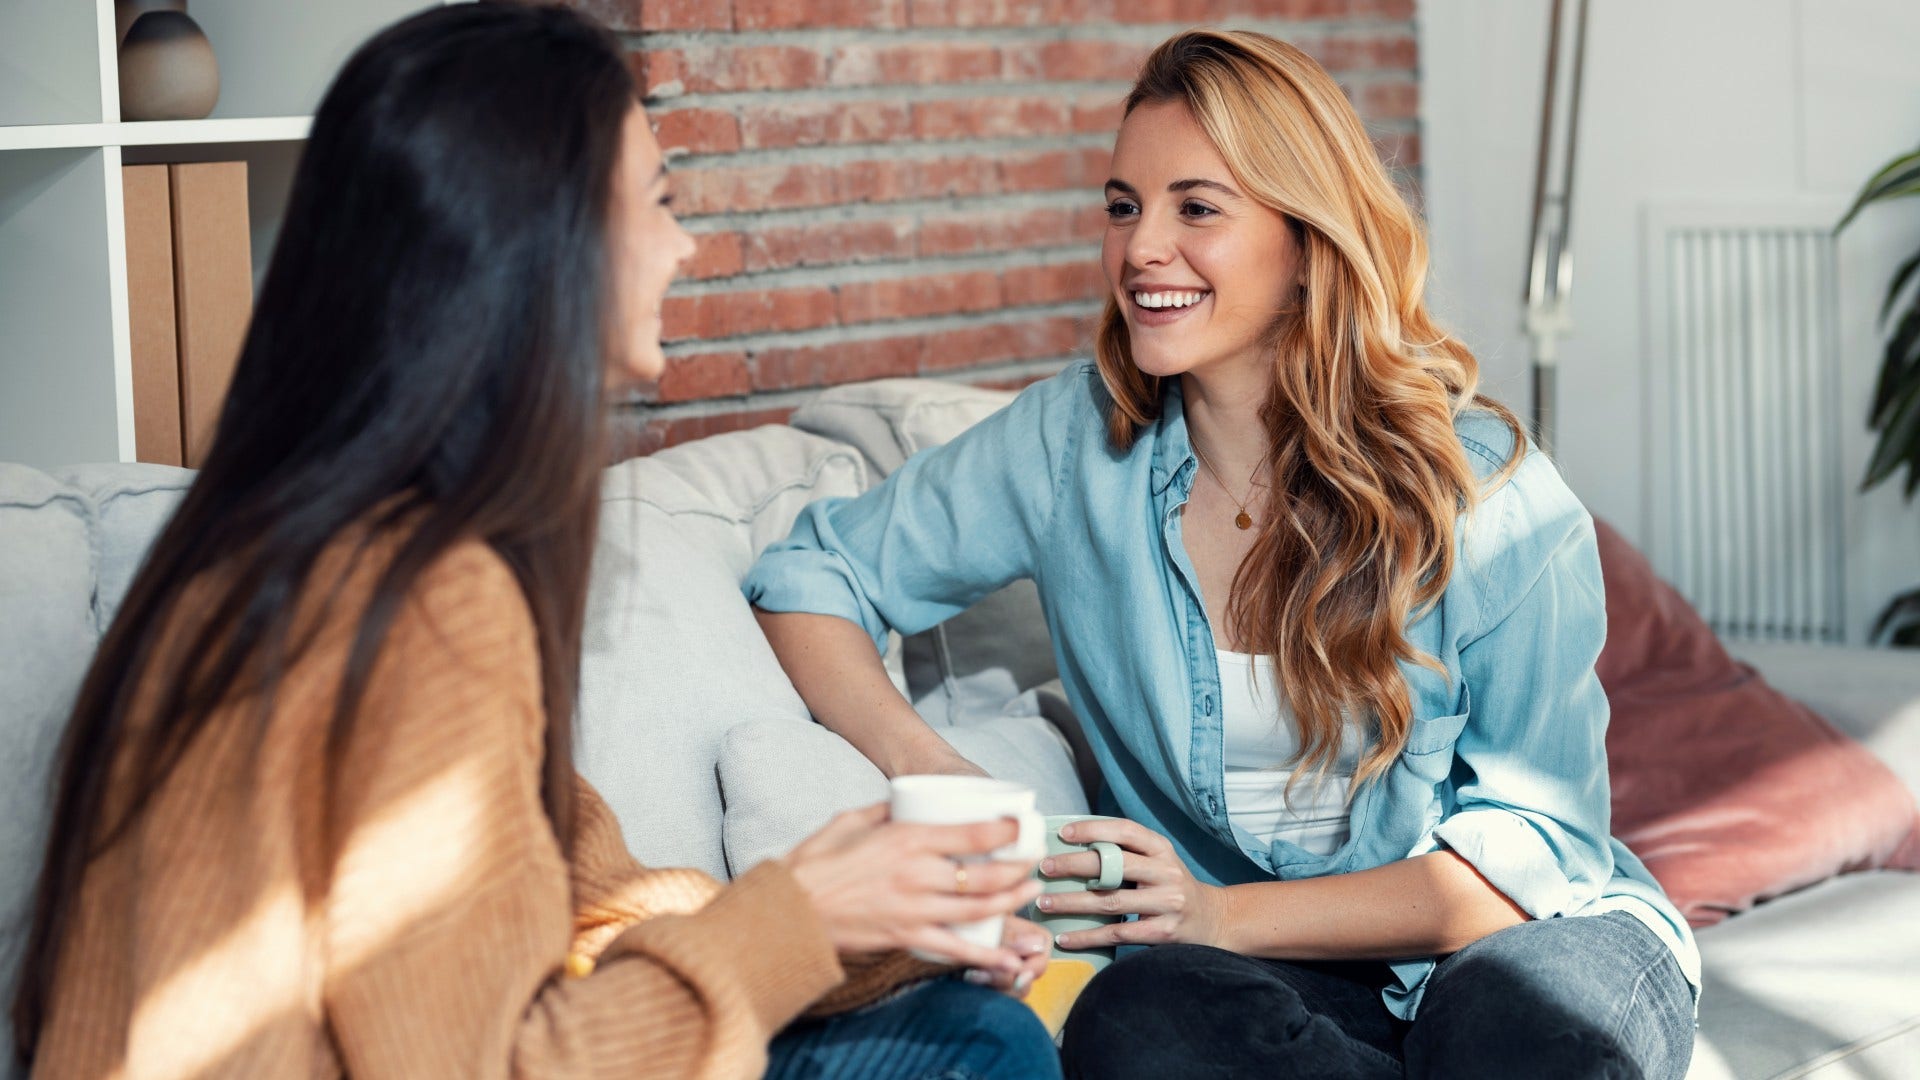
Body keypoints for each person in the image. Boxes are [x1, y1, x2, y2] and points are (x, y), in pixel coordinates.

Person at [9, 5, 1060, 1078]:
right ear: (543, 242)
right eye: (660, 202)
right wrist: (801, 915)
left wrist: (862, 928)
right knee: (979, 1050)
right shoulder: (418, 598)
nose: (685, 247)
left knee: (963, 1028)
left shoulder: (330, 542)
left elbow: (591, 904)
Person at [745, 28, 1700, 1080]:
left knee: (1519, 1032)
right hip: (1278, 973)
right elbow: (810, 578)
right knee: (1138, 1022)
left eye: (1196, 208)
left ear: (1306, 239)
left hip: (1525, 935)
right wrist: (942, 773)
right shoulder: (1069, 447)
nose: (1141, 248)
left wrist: (1217, 913)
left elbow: (1536, 857)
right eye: (1123, 206)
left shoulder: (1487, 493)